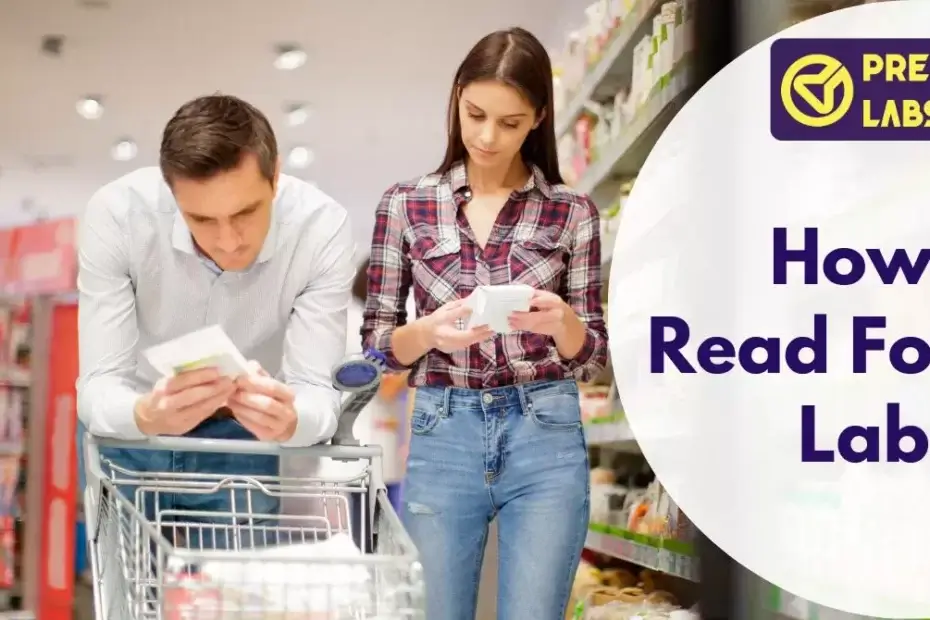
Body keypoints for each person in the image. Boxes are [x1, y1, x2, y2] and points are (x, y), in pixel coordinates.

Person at [362, 27, 608, 620]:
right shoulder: (404, 205)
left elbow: (593, 354)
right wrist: (429, 331)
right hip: (445, 429)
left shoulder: (572, 213)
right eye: (475, 115)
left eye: (510, 122)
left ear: (538, 120)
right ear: (456, 98)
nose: (487, 136)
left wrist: (564, 322)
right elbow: (376, 346)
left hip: (544, 430)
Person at [76, 94, 356, 549]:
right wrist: (146, 414)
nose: (228, 241)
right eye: (201, 219)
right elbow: (97, 384)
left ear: (276, 175)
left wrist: (289, 422)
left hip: (243, 437)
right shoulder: (118, 214)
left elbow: (316, 393)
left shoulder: (320, 228)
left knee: (237, 600)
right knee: (126, 600)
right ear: (170, 192)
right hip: (128, 430)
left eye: (246, 212)